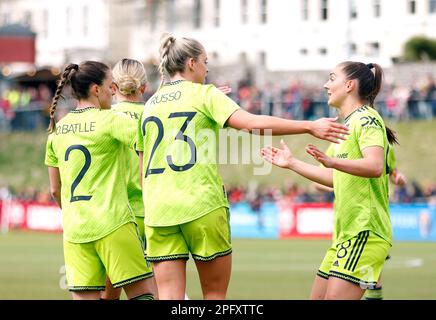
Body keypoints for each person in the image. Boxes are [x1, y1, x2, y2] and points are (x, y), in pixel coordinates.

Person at [136, 32, 349, 300]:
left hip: (159, 209)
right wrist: (308, 126)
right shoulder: (205, 95)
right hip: (201, 204)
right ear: (191, 63)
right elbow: (251, 124)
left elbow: (143, 172)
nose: (207, 67)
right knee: (214, 295)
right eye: (204, 61)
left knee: (168, 296)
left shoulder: (150, 105)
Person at [262, 61, 396, 300]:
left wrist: (334, 162)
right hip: (346, 235)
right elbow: (334, 178)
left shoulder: (368, 120)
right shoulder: (347, 126)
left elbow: (374, 166)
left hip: (365, 231)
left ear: (349, 85)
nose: (326, 84)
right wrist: (292, 163)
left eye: (331, 78)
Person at [45, 61, 155, 300]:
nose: (113, 91)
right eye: (110, 86)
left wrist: (75, 212)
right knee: (145, 294)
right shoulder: (110, 121)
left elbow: (55, 189)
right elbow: (151, 137)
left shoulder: (57, 130)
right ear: (96, 89)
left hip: (75, 230)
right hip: (113, 222)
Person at [97, 58, 159, 300]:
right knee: (155, 292)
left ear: (113, 87)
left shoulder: (103, 118)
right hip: (153, 216)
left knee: (108, 293)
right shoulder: (157, 116)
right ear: (143, 88)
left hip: (114, 217)